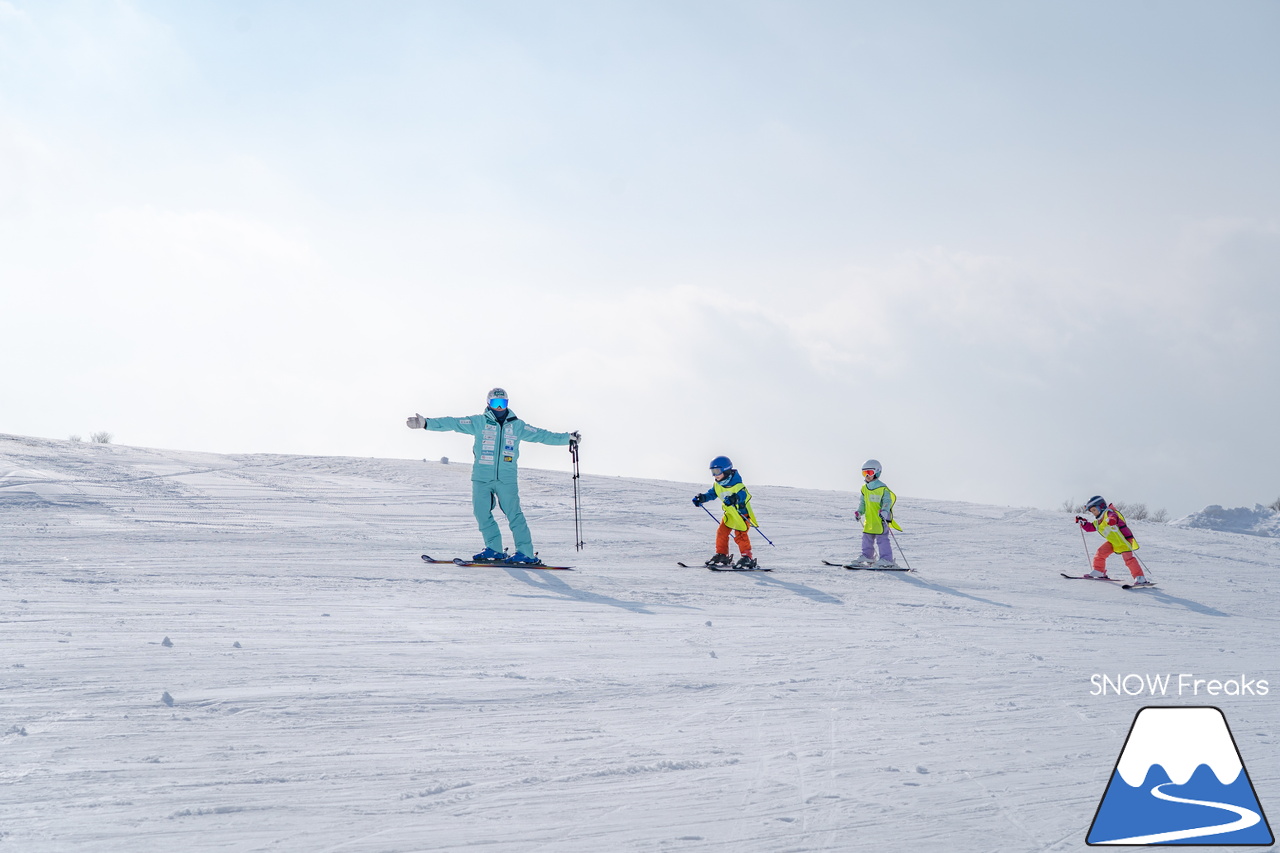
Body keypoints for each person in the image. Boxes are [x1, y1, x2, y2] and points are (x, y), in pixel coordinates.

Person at [406, 387, 579, 565]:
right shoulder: (479, 422)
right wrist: (426, 423)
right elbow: (453, 423)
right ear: (488, 403)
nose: (499, 407)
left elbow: (542, 435)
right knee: (481, 512)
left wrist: (567, 438)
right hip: (481, 477)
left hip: (506, 479)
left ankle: (526, 552)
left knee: (514, 514)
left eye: (502, 403)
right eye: (496, 403)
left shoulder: (517, 426)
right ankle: (494, 548)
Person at [692, 456, 758, 569]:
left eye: (717, 471)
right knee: (721, 532)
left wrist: (735, 498)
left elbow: (744, 495)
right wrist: (702, 498)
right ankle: (722, 555)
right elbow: (711, 494)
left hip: (741, 514)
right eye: (713, 472)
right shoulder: (718, 485)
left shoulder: (738, 485)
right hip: (729, 514)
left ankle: (747, 557)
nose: (715, 475)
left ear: (726, 470)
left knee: (740, 535)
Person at [1075, 496, 1151, 585]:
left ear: (1101, 507)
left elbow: (1114, 516)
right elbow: (1090, 527)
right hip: (1113, 542)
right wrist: (1083, 523)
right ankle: (1099, 571)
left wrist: (1112, 520)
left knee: (1128, 559)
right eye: (1092, 511)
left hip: (1123, 540)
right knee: (1100, 552)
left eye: (1094, 510)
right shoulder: (1099, 521)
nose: (1094, 513)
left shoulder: (1108, 513)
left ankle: (1140, 578)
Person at [849, 459, 902, 568]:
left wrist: (885, 511)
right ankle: (867, 556)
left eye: (869, 472)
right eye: (864, 473)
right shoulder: (864, 488)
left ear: (877, 472)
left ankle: (887, 559)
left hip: (880, 519)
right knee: (866, 539)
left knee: (882, 539)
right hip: (869, 520)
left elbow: (887, 501)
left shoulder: (882, 488)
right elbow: (863, 503)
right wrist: (859, 512)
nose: (867, 476)